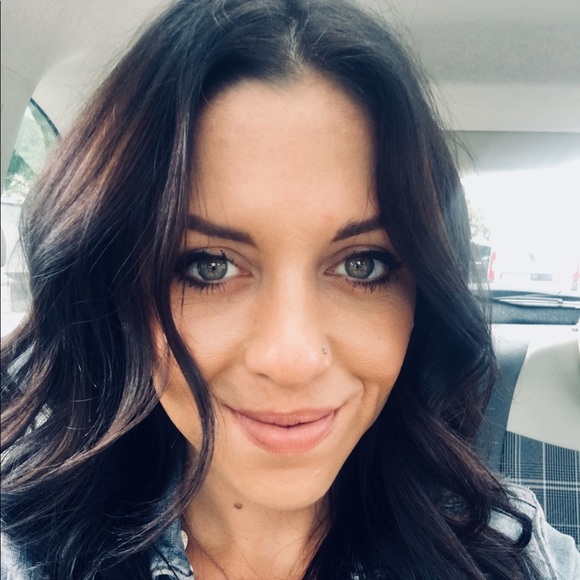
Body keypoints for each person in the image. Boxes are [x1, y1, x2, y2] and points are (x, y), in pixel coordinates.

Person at [1, 0, 578, 578]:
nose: (292, 361)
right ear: (114, 288)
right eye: (209, 266)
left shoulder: (511, 552)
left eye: (362, 265)